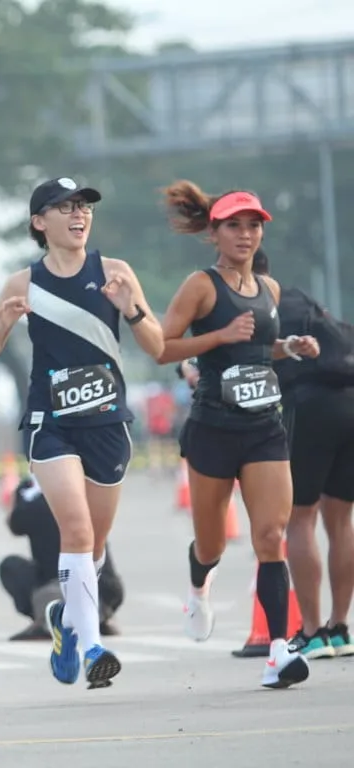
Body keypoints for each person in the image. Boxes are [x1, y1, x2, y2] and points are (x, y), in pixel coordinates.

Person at [0, 176, 165, 690]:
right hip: (50, 422)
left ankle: (65, 620)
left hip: (106, 422)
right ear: (40, 222)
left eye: (84, 207)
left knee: (94, 546)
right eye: (65, 207)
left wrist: (131, 309)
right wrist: (2, 324)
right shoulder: (23, 283)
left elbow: (158, 346)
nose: (79, 215)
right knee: (75, 532)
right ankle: (93, 646)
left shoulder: (116, 272)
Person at [156, 181, 318, 689]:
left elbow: (259, 350)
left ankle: (278, 652)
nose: (245, 234)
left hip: (264, 427)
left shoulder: (270, 289)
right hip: (213, 429)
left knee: (270, 536)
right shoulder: (201, 286)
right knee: (211, 546)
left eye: (253, 226)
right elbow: (162, 347)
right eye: (234, 226)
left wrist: (290, 347)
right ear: (215, 233)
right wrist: (219, 336)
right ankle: (198, 588)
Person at [264, 259, 354, 659]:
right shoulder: (305, 302)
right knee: (341, 520)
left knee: (301, 517)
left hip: (310, 406)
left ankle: (314, 632)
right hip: (349, 400)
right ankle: (340, 628)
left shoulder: (259, 305)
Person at [0, 476, 124, 641]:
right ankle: (94, 615)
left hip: (67, 583)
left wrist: (15, 504)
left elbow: (15, 524)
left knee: (12, 568)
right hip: (102, 583)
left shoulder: (29, 494)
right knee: (12, 566)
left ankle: (52, 618)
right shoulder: (85, 481)